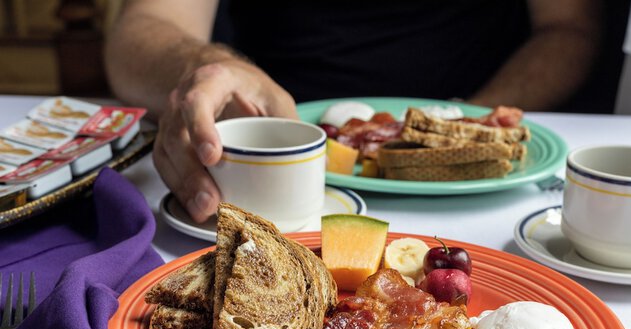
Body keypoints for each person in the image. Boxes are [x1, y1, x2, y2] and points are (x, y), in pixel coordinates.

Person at [105, 1, 601, 223]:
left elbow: (569, 29)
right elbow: (144, 26)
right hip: (263, 169)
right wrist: (207, 67)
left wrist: (471, 127)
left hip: (485, 197)